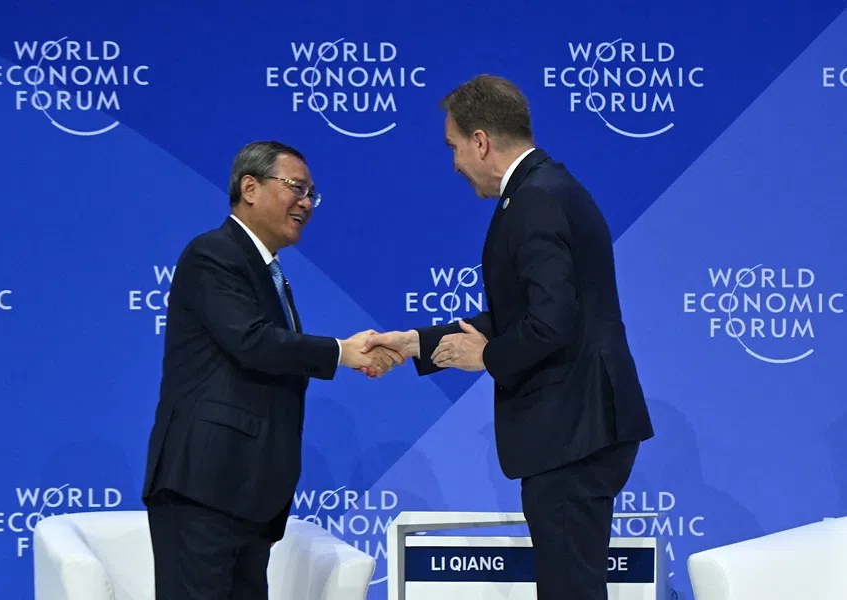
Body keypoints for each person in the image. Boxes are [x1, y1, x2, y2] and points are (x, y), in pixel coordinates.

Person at [362, 75, 654, 599]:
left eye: (453, 146)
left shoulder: (537, 198)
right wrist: (416, 343)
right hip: (580, 426)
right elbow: (524, 313)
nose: (453, 163)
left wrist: (490, 356)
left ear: (480, 141)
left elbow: (552, 320)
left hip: (572, 428)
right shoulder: (543, 189)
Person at [141, 140, 400, 600]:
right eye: (296, 188)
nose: (306, 203)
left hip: (248, 496)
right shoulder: (213, 254)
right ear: (250, 188)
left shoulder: (268, 271)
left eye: (312, 194)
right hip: (204, 488)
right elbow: (253, 342)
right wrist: (342, 352)